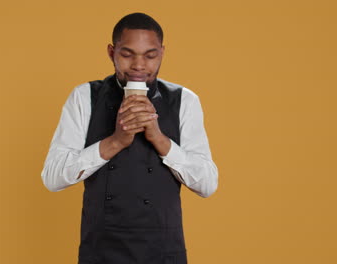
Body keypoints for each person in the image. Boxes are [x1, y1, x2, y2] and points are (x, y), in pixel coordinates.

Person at [41, 12, 218, 264]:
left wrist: (159, 138)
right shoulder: (84, 97)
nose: (138, 65)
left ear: (162, 53)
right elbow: (52, 178)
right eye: (127, 54)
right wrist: (116, 141)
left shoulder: (184, 100)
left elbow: (207, 184)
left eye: (150, 55)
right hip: (101, 250)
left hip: (163, 250)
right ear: (111, 52)